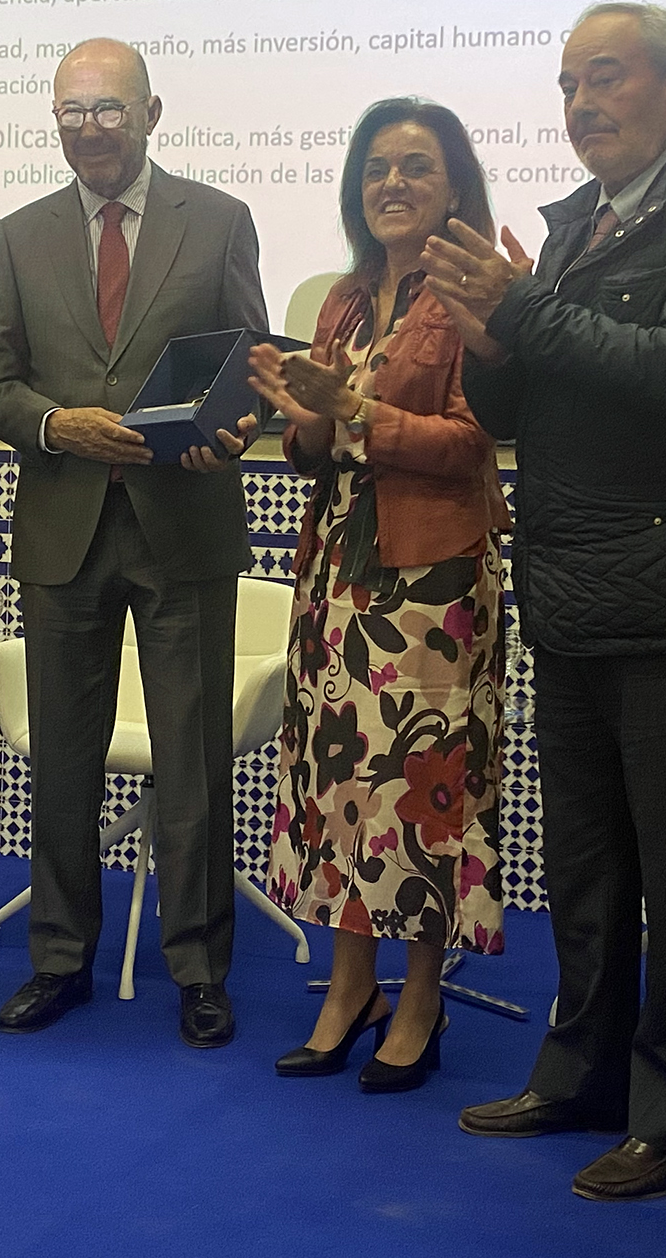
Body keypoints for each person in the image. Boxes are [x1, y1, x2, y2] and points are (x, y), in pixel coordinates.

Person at [421, 3, 666, 1199]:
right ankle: (582, 1074)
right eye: (567, 85)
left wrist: (524, 309)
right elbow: (522, 410)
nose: (582, 104)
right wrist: (490, 343)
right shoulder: (574, 226)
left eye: (607, 78)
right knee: (586, 867)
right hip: (576, 586)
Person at [0, 38, 266, 1048]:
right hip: (64, 528)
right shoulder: (20, 235)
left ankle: (200, 969)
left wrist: (231, 431)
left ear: (151, 113)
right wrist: (58, 425)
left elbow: (250, 370)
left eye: (108, 109)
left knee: (193, 761)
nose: (89, 128)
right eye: (72, 111)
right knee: (63, 760)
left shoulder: (218, 221)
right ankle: (59, 959)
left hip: (183, 523)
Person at [248, 99, 511, 1094]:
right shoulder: (347, 300)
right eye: (375, 168)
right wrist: (308, 416)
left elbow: (473, 443)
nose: (391, 183)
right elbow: (314, 449)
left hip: (432, 583)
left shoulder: (474, 299)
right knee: (341, 784)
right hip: (339, 574)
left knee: (420, 789)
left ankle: (422, 998)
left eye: (415, 166)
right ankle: (350, 986)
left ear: (455, 186)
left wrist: (354, 409)